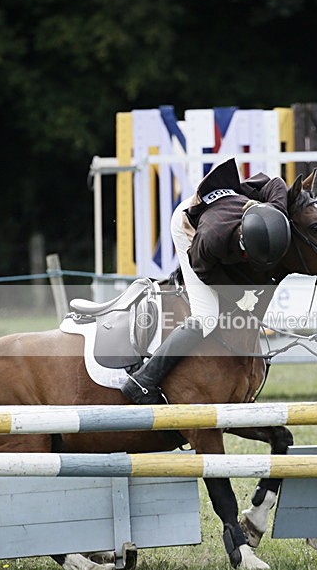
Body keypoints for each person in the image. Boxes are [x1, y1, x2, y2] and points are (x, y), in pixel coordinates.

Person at [122, 158, 291, 404]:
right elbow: (203, 269)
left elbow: (276, 182)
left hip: (221, 214)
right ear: (242, 240)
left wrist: (278, 213)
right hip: (187, 228)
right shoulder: (212, 238)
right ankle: (142, 380)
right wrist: (238, 295)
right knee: (207, 316)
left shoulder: (271, 201)